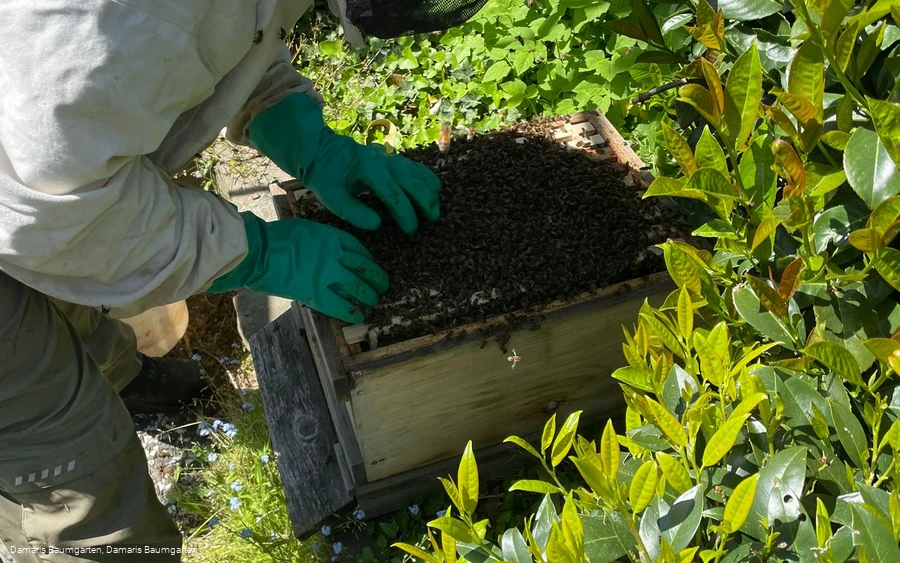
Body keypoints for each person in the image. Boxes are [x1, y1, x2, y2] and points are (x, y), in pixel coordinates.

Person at [0, 0, 484, 560]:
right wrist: (254, 251)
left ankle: (121, 379)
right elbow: (49, 218)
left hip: (34, 168)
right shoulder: (116, 18)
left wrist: (299, 130)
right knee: (82, 483)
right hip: (27, 205)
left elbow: (220, 37)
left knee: (74, 309)